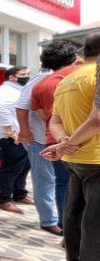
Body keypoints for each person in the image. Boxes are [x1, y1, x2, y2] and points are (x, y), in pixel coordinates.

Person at [41, 32, 100, 261]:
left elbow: (54, 119)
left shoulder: (67, 80)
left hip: (74, 157)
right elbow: (97, 120)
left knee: (74, 211)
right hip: (95, 155)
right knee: (94, 216)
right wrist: (69, 143)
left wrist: (65, 142)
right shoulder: (95, 75)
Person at [19, 40, 79, 234]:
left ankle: (64, 224)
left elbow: (47, 115)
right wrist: (25, 131)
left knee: (61, 183)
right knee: (47, 181)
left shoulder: (46, 82)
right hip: (43, 140)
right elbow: (23, 107)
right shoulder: (42, 81)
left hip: (55, 138)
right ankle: (50, 221)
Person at [0, 66, 33, 214]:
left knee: (23, 166)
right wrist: (10, 132)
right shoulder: (3, 91)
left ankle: (19, 194)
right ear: (12, 77)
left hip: (20, 136)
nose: (27, 76)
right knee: (11, 167)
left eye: (28, 74)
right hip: (8, 137)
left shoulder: (18, 91)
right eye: (23, 74)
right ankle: (4, 199)